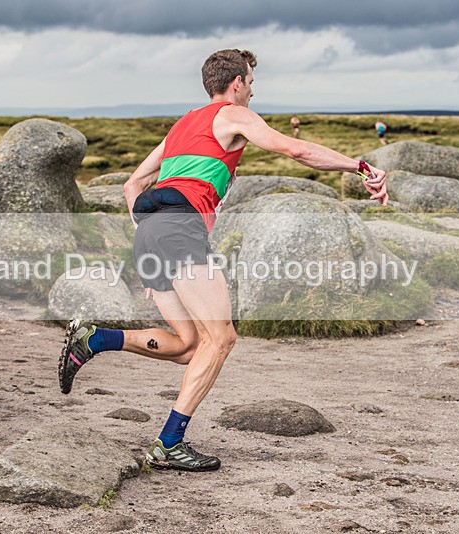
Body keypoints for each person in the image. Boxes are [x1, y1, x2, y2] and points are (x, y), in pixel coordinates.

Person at [59, 49, 388, 472]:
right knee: (222, 339)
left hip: (151, 234)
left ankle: (95, 339)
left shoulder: (182, 125)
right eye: (250, 82)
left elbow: (133, 183)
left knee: (188, 346)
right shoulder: (233, 114)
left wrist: (150, 238)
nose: (252, 90)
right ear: (236, 83)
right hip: (179, 231)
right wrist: (360, 166)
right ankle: (168, 444)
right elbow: (296, 151)